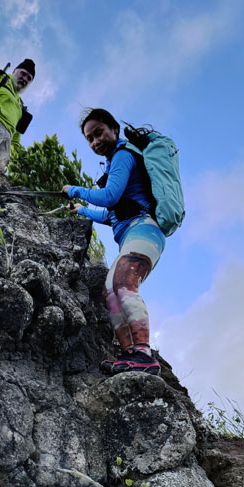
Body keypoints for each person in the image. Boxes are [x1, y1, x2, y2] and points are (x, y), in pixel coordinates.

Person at [62, 108, 165, 375]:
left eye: (99, 133)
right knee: (110, 290)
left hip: (145, 230)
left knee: (122, 283)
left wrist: (74, 190)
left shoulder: (123, 154)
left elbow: (109, 196)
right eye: (89, 138)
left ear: (114, 130)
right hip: (131, 230)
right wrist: (81, 209)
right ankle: (129, 355)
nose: (95, 141)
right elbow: (111, 214)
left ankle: (143, 352)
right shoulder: (114, 162)